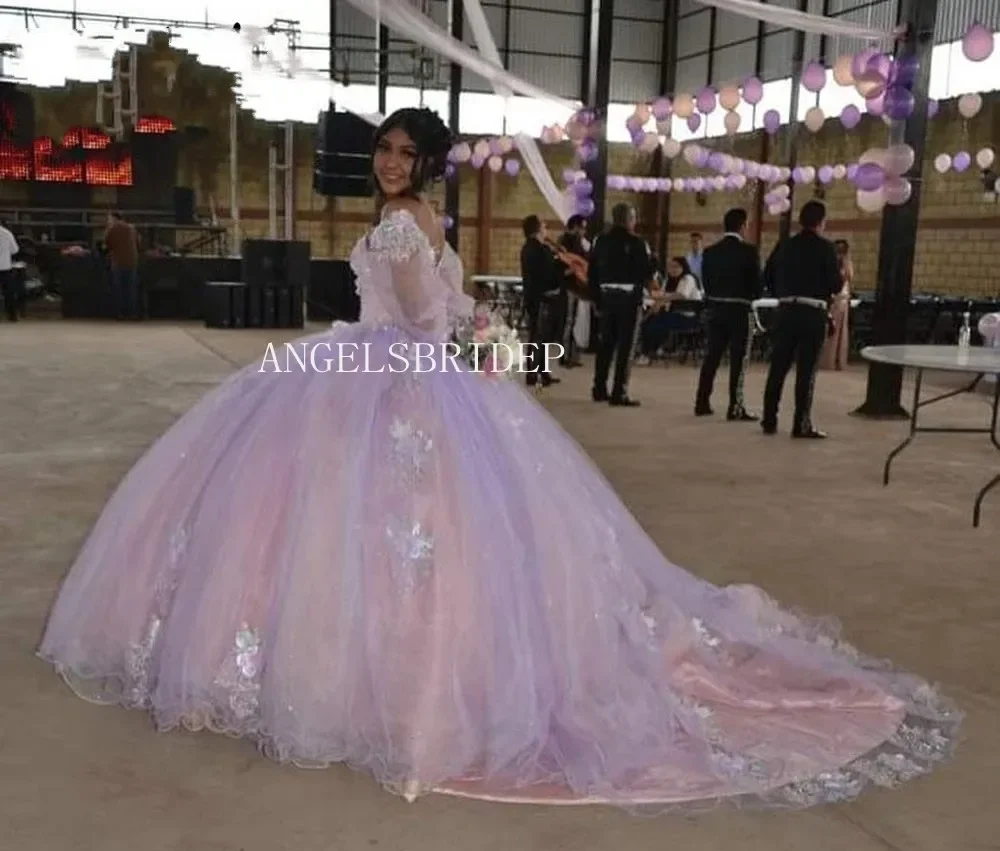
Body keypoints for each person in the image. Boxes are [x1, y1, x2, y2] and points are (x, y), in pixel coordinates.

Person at [36, 106, 960, 810]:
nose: (391, 163)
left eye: (405, 153)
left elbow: (422, 318)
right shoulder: (421, 220)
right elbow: (453, 305)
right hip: (390, 364)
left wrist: (462, 351)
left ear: (427, 164)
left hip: (386, 372)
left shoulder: (403, 225)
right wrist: (489, 353)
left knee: (369, 531)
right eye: (386, 151)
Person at [761, 200, 842, 439]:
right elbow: (835, 284)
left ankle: (769, 420)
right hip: (812, 312)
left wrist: (783, 294)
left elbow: (768, 275)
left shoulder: (784, 245)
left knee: (778, 368)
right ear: (821, 221)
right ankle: (801, 423)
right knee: (806, 371)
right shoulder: (826, 248)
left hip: (785, 311)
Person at [695, 208, 762, 421]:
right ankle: (735, 405)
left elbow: (705, 282)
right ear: (743, 226)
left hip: (715, 309)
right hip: (740, 310)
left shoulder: (710, 252)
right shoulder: (749, 252)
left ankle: (702, 401)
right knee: (738, 359)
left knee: (711, 357)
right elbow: (757, 286)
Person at [588, 203, 654, 406]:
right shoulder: (638, 243)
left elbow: (592, 273)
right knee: (626, 347)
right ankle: (619, 392)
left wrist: (596, 299)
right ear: (628, 219)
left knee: (605, 345)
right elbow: (646, 272)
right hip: (628, 299)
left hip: (606, 297)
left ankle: (599, 388)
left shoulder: (600, 241)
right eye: (633, 217)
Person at [519, 214, 562, 389]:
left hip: (532, 296)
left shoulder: (527, 248)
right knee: (539, 337)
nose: (546, 230)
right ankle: (534, 372)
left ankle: (540, 372)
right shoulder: (540, 249)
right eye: (544, 226)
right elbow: (549, 273)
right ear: (537, 229)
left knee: (538, 337)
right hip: (543, 297)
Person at [637, 256, 702, 364]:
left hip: (687, 317)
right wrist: (658, 302)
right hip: (671, 313)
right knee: (650, 319)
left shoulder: (688, 278)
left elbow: (681, 295)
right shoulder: (668, 280)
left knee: (655, 322)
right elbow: (662, 295)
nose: (672, 269)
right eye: (670, 267)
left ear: (683, 267)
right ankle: (651, 350)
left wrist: (662, 300)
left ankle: (648, 352)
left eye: (675, 266)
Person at [556, 214, 587, 368]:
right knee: (568, 321)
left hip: (575, 285)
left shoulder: (576, 242)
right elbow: (563, 261)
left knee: (571, 320)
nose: (584, 232)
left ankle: (569, 354)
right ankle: (564, 356)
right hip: (568, 285)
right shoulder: (566, 241)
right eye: (582, 228)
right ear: (575, 227)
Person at [820, 239, 854, 371]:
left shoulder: (841, 263)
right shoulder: (841, 263)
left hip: (840, 298)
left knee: (834, 330)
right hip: (840, 298)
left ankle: (832, 360)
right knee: (835, 330)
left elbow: (846, 279)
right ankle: (834, 360)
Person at [104, 212, 141, 320]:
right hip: (132, 261)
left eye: (109, 219)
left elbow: (107, 243)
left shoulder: (112, 228)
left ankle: (119, 313)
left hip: (118, 261)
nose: (108, 221)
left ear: (114, 219)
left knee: (118, 288)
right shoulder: (132, 228)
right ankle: (132, 313)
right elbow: (138, 242)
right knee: (131, 289)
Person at [0, 219, 20, 322]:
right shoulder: (7, 233)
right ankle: (12, 316)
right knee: (8, 293)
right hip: (4, 267)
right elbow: (15, 250)